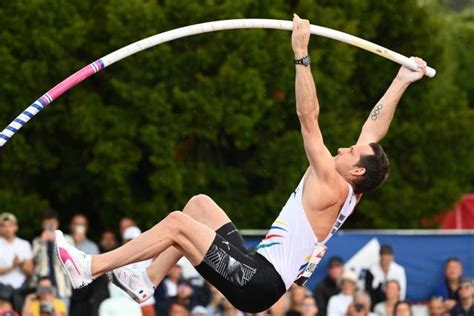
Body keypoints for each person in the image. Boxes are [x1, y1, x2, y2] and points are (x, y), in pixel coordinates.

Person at [54, 14, 428, 313]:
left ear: (357, 171)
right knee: (198, 206)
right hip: (255, 267)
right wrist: (401, 79)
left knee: (177, 224)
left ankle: (91, 268)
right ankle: (146, 280)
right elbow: (373, 130)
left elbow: (308, 116)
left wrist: (301, 54)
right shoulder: (353, 186)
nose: (344, 149)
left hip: (257, 284)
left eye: (350, 152)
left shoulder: (331, 181)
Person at [31, 210, 73, 309]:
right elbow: (33, 259)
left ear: (57, 223)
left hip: (62, 285)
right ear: (43, 225)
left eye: (52, 223)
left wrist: (56, 240)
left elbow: (69, 257)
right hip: (43, 285)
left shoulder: (67, 239)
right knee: (44, 312)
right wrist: (42, 241)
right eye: (47, 224)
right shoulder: (37, 241)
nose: (50, 226)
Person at [0, 212, 33, 311]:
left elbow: (30, 271)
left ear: (16, 227)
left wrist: (20, 264)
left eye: (10, 225)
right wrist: (12, 266)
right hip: (2, 288)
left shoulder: (24, 244)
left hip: (21, 289)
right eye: (3, 226)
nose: (7, 229)